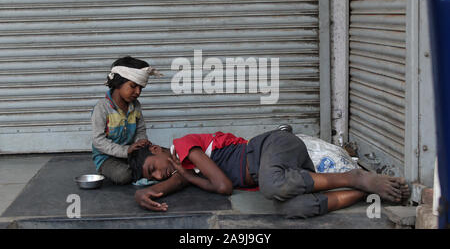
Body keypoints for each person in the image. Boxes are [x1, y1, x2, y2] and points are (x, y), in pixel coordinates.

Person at [129, 128, 411, 218]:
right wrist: (145, 192)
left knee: (272, 187)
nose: (158, 175)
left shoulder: (183, 146)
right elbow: (174, 182)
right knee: (292, 208)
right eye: (152, 176)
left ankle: (355, 177)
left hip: (272, 146)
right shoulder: (184, 170)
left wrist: (186, 177)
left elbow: (224, 185)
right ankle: (363, 191)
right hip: (280, 169)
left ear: (157, 149)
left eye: (153, 168)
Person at [91, 56, 161, 185]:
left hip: (131, 153)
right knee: (124, 175)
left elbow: (140, 130)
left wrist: (141, 142)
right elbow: (98, 141)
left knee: (160, 160)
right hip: (107, 158)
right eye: (133, 86)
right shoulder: (102, 108)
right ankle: (108, 170)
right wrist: (126, 151)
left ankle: (140, 170)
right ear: (118, 82)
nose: (138, 92)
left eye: (141, 88)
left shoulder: (136, 106)